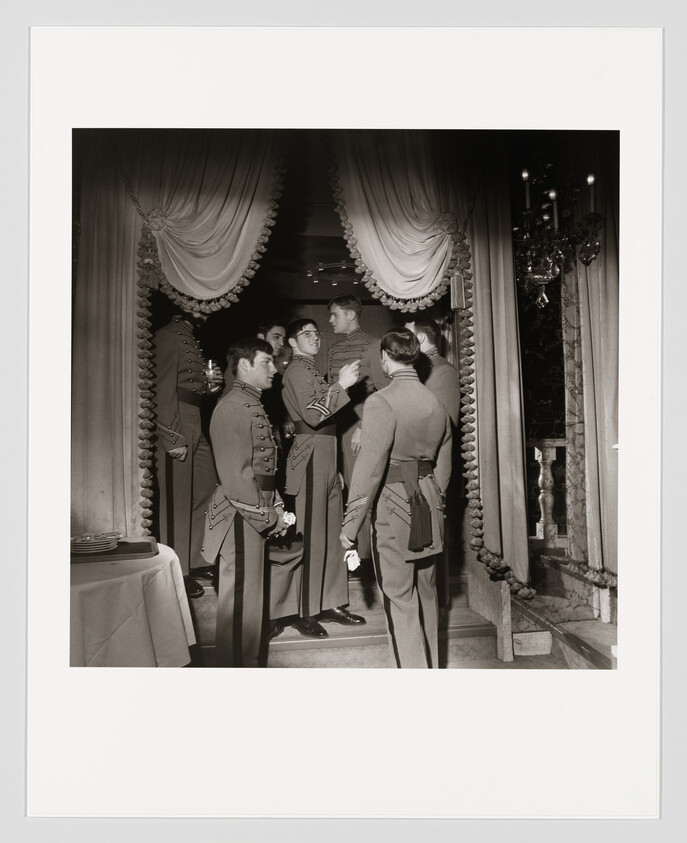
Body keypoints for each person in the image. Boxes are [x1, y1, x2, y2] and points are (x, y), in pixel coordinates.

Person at [340, 328, 452, 668]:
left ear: (386, 360)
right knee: (427, 596)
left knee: (400, 600)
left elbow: (369, 469)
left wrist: (350, 526)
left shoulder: (381, 401)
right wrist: (435, 499)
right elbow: (443, 465)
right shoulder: (434, 401)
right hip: (429, 506)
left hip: (393, 510)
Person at [200, 338, 287, 667]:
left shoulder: (249, 403)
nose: (274, 369)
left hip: (253, 510)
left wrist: (276, 504)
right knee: (240, 606)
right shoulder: (233, 406)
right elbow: (237, 479)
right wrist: (269, 516)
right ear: (245, 366)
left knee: (251, 603)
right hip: (240, 516)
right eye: (267, 362)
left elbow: (261, 468)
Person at [281, 318, 366, 638]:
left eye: (317, 333)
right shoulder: (296, 371)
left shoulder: (312, 371)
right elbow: (315, 414)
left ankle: (330, 602)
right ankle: (304, 610)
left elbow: (330, 423)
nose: (315, 338)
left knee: (332, 533)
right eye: (306, 334)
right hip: (311, 454)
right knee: (312, 536)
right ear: (292, 342)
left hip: (327, 453)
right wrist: (341, 385)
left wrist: (339, 469)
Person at [153, 310, 223, 599]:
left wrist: (212, 388)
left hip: (195, 418)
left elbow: (191, 387)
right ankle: (176, 568)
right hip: (178, 421)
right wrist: (172, 436)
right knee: (177, 500)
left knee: (206, 489)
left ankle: (195, 559)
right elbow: (162, 388)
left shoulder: (190, 338)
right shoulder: (167, 336)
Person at [405, 316, 462, 617]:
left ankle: (437, 606)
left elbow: (443, 427)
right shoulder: (418, 370)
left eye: (408, 336)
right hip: (415, 468)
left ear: (423, 340)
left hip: (432, 468)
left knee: (433, 538)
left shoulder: (442, 371)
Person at [327, 295, 388, 564]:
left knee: (360, 492)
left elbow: (384, 392)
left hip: (362, 427)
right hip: (339, 428)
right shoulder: (333, 349)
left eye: (335, 314)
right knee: (343, 490)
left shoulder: (374, 346)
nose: (330, 320)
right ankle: (353, 555)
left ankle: (366, 557)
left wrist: (364, 426)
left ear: (351, 314)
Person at [404, 317, 460, 426]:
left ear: (420, 338)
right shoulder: (415, 368)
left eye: (406, 336)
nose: (402, 342)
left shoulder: (444, 371)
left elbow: (445, 424)